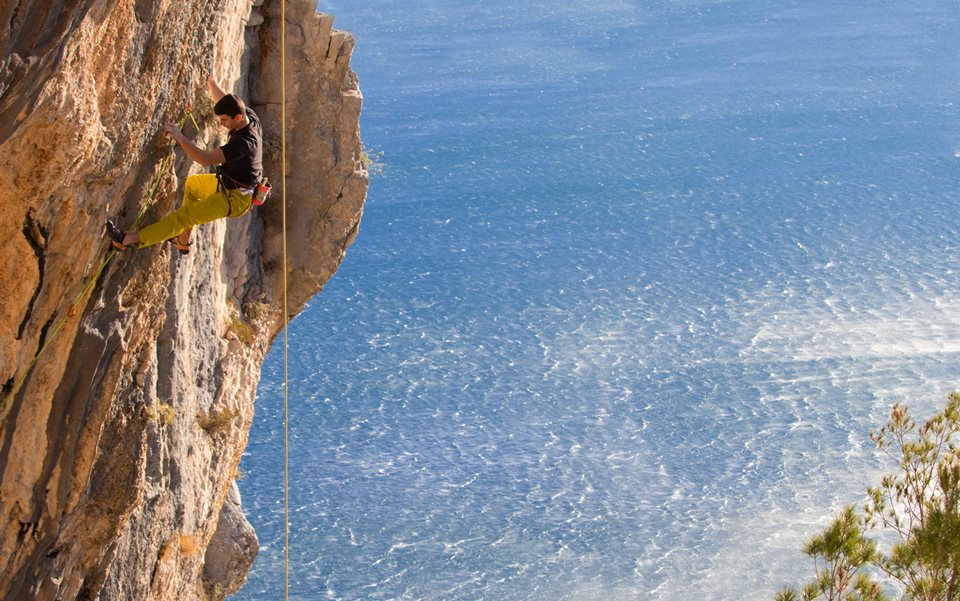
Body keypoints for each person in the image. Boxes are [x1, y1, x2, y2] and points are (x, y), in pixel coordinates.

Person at [106, 74, 263, 254]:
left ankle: (127, 239)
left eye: (224, 120)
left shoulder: (244, 144)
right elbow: (224, 98)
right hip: (229, 185)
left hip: (236, 200)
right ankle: (183, 240)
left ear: (238, 117)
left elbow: (205, 159)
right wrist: (211, 82)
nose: (221, 124)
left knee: (182, 217)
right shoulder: (250, 117)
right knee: (193, 185)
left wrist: (180, 138)